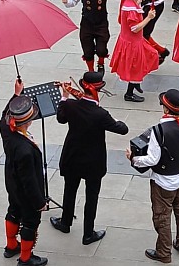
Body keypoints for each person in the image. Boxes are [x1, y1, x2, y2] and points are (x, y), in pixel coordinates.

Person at [126, 89, 179, 264]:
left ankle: (164, 253)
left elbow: (152, 159)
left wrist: (133, 158)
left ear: (166, 109)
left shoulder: (159, 130)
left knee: (162, 217)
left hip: (162, 182)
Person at [50, 72, 129, 245]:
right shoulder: (101, 114)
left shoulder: (71, 105)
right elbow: (123, 129)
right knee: (91, 197)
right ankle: (88, 234)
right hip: (93, 162)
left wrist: (64, 96)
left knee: (69, 190)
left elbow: (61, 118)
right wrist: (115, 119)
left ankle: (65, 222)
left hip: (72, 157)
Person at [0, 80, 48, 266]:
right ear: (28, 122)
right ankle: (26, 258)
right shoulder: (25, 151)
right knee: (30, 221)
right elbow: (29, 181)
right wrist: (39, 203)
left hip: (12, 184)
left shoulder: (6, 130)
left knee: (13, 211)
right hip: (26, 192)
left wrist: (16, 94)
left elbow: (4, 115)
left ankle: (11, 245)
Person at [61, 0, 125, 74]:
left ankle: (101, 64)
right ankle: (91, 71)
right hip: (87, 23)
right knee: (88, 50)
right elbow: (72, 1)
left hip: (101, 22)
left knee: (102, 48)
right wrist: (66, 0)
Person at [110, 0, 159, 102]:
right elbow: (135, 28)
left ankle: (136, 82)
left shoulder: (127, 1)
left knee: (151, 55)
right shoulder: (131, 9)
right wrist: (149, 18)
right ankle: (129, 93)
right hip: (133, 42)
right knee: (135, 67)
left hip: (131, 40)